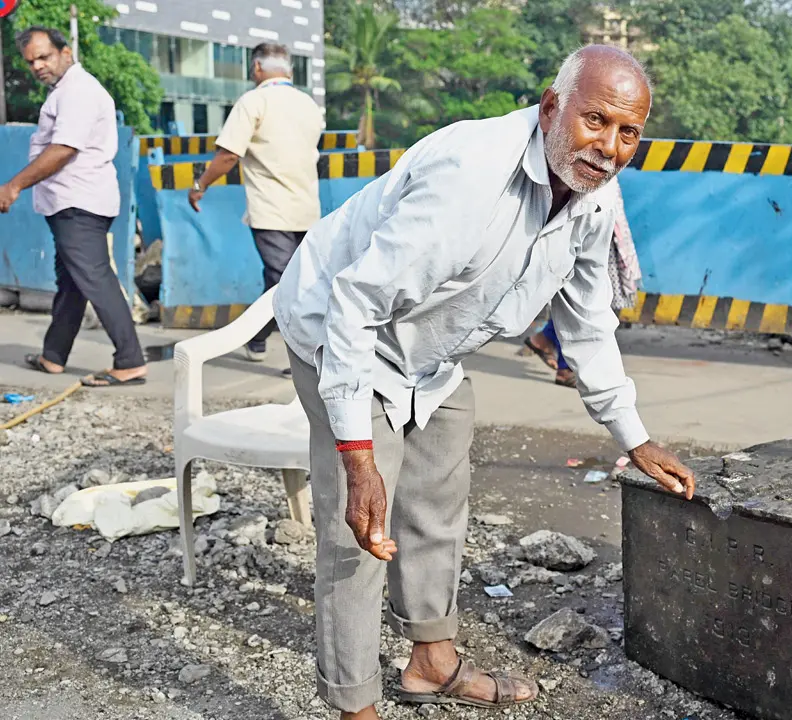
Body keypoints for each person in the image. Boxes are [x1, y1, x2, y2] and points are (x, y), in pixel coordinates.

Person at [271, 45, 696, 718]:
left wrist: (635, 437)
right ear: (552, 108)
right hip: (343, 328)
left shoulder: (593, 196)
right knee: (360, 531)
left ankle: (430, 661)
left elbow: (584, 327)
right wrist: (357, 456)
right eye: (595, 121)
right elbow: (356, 304)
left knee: (437, 501)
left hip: (433, 353)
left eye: (628, 133)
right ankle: (355, 705)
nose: (609, 147)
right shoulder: (471, 176)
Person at [0, 26, 147, 387]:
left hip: (79, 202)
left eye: (44, 56)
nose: (37, 66)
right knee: (71, 281)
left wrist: (14, 185)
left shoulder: (78, 91)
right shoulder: (64, 92)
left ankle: (129, 360)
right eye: (31, 61)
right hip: (71, 202)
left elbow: (64, 148)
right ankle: (54, 356)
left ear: (66, 52)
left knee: (94, 277)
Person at [188, 42, 324, 371]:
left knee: (285, 284)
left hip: (272, 209)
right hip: (306, 207)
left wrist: (199, 185)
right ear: (289, 69)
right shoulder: (309, 105)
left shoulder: (254, 101)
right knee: (290, 281)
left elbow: (228, 155)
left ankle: (302, 357)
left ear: (257, 69)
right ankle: (261, 338)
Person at [523, 179, 641, 386]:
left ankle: (545, 341)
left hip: (602, 231)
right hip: (582, 231)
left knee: (589, 302)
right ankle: (565, 366)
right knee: (581, 301)